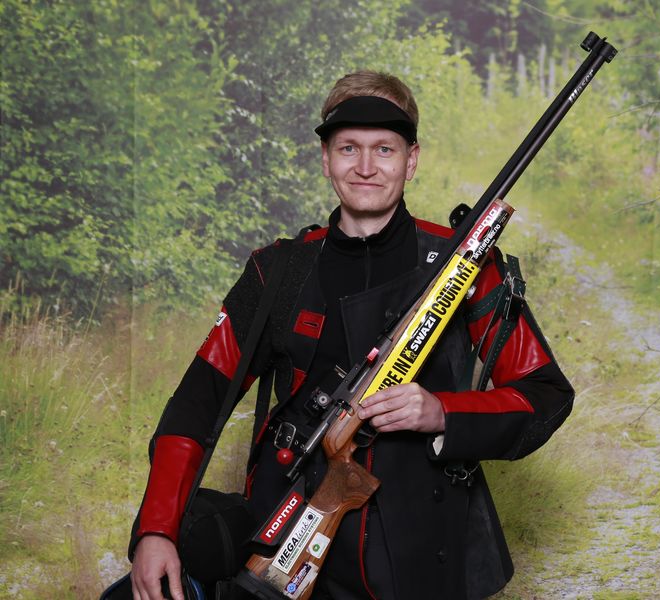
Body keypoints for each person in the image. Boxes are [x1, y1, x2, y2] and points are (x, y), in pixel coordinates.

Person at [124, 70, 573, 600]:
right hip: (280, 531)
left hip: (421, 550)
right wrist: (155, 531)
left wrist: (443, 413)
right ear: (325, 160)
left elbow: (544, 396)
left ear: (411, 160)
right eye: (348, 148)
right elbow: (195, 407)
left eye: (384, 149)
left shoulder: (465, 266)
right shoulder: (278, 271)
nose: (365, 167)